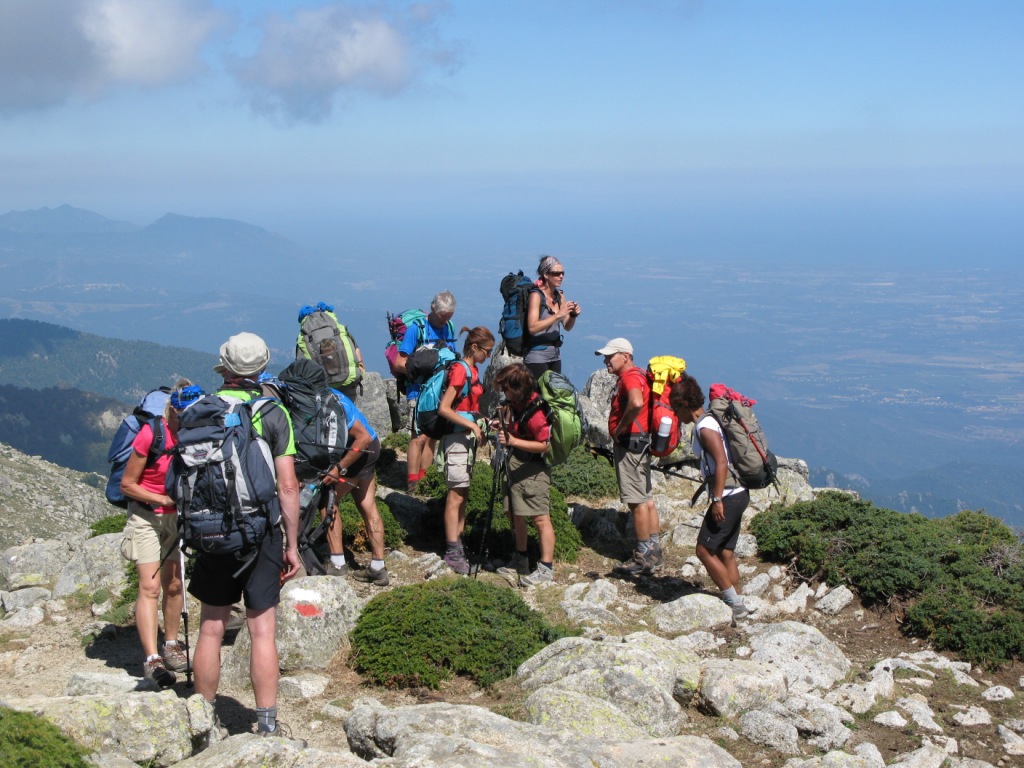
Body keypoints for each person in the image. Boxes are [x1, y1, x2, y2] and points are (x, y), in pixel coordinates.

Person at [187, 332, 303, 741]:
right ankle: (267, 724)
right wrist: (292, 544)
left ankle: (203, 720)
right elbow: (288, 487)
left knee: (211, 627)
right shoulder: (273, 413)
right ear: (261, 367)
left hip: (210, 529)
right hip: (260, 532)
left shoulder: (201, 409)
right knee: (262, 630)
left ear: (225, 368)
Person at [119, 379, 195, 688]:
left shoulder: (192, 433)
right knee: (150, 588)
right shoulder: (152, 433)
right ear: (172, 411)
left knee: (175, 585)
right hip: (147, 517)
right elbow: (128, 484)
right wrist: (162, 499)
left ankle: (172, 645)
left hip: (176, 519)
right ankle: (152, 659)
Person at [669, 372, 754, 620]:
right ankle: (737, 600)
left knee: (704, 550)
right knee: (725, 551)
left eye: (676, 409)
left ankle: (735, 604)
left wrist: (716, 499)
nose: (675, 415)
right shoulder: (710, 421)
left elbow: (721, 461)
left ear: (685, 405)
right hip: (740, 493)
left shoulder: (704, 428)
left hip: (727, 496)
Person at [596, 337, 663, 576]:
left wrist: (621, 428)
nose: (606, 361)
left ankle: (643, 556)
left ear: (625, 356)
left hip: (630, 444)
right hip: (641, 443)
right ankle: (654, 552)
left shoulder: (630, 377)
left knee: (637, 502)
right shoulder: (640, 375)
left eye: (610, 356)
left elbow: (635, 402)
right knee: (646, 499)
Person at [491, 362, 555, 587]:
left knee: (539, 517)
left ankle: (546, 568)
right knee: (516, 513)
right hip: (517, 463)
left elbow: (545, 445)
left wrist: (512, 440)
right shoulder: (516, 405)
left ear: (517, 388)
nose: (503, 393)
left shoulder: (536, 412)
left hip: (533, 469)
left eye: (506, 388)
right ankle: (521, 560)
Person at [436, 326, 493, 575]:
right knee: (456, 495)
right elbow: (445, 408)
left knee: (463, 494)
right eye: (487, 351)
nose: (488, 356)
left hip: (466, 437)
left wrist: (483, 422)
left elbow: (468, 405)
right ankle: (452, 551)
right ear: (474, 348)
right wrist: (471, 424)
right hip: (456, 439)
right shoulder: (460, 370)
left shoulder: (473, 370)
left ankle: (458, 544)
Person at [322, 389, 389, 586]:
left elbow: (362, 437)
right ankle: (378, 567)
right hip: (372, 448)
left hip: (359, 448)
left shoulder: (322, 399)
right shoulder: (335, 393)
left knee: (329, 501)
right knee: (369, 507)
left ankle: (337, 563)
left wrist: (339, 467)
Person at [393, 290, 458, 493]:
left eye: (449, 316)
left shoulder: (448, 327)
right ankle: (413, 483)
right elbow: (399, 362)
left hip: (438, 391)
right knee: (418, 437)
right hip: (418, 390)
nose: (445, 320)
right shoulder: (416, 330)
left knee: (432, 436)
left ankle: (424, 481)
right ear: (432, 309)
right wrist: (423, 368)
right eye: (442, 316)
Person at [524, 255, 580, 379]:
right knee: (539, 396)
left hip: (555, 355)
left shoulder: (560, 296)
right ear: (546, 275)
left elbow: (567, 327)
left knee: (553, 396)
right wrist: (558, 315)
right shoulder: (536, 296)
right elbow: (532, 327)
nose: (561, 276)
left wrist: (573, 315)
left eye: (562, 273)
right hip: (536, 356)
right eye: (556, 273)